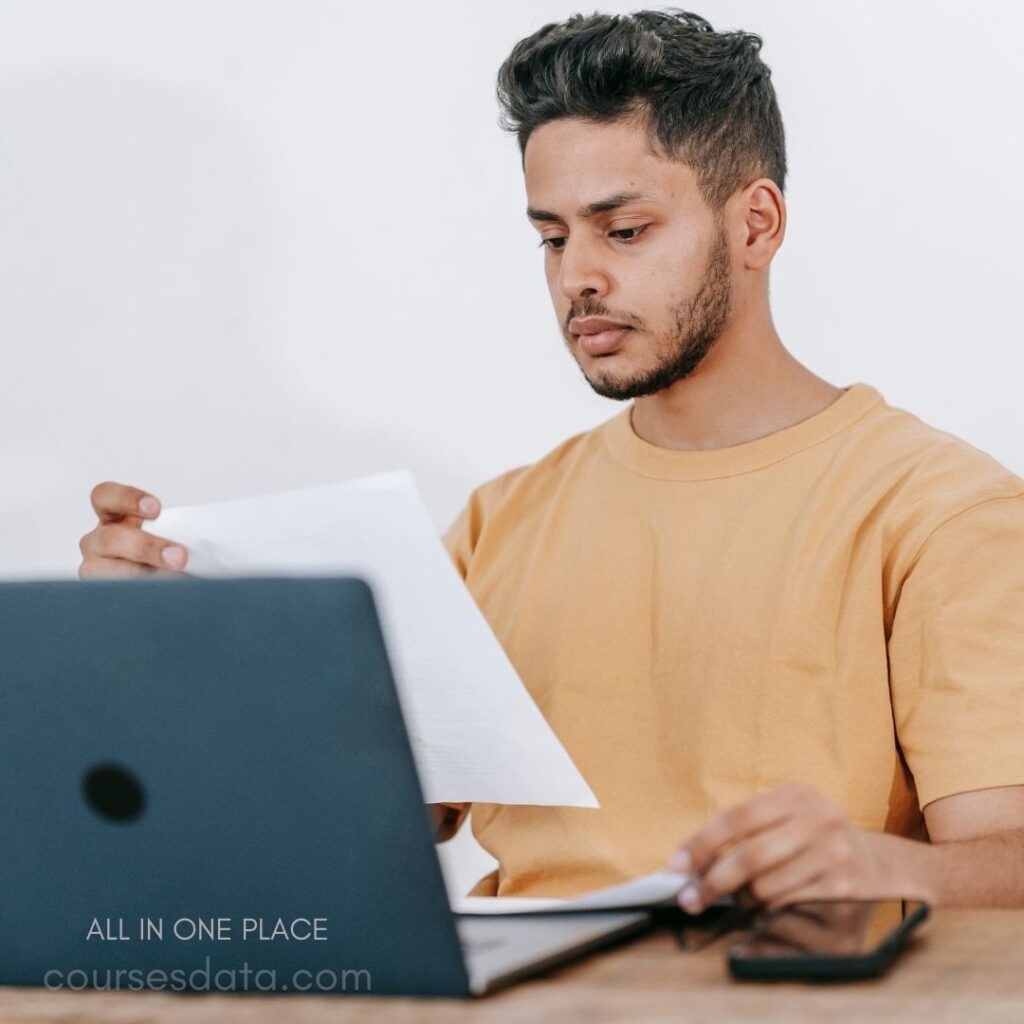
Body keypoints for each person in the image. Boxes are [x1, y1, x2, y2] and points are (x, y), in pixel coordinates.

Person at [78, 10, 1024, 911]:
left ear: (756, 225)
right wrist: (170, 663)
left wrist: (874, 867)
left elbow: (1007, 858)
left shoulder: (941, 512)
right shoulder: (505, 520)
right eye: (551, 236)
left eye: (624, 229)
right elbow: (333, 830)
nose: (578, 277)